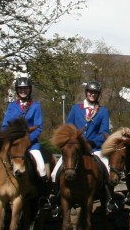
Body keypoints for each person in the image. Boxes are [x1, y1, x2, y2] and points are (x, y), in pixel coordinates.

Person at [49, 80, 116, 214]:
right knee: (54, 172)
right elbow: (68, 128)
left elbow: (104, 132)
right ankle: (55, 201)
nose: (92, 95)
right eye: (90, 92)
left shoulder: (103, 111)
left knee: (107, 171)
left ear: (98, 95)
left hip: (94, 149)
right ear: (86, 93)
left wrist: (92, 142)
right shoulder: (76, 109)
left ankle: (109, 200)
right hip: (74, 149)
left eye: (95, 93)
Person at [0, 76, 50, 206]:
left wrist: (27, 141)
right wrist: (10, 139)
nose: (23, 91)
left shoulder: (36, 106)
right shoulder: (11, 106)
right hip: (14, 145)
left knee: (41, 168)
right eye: (21, 89)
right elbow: (5, 126)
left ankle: (43, 198)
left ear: (30, 90)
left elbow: (38, 127)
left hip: (31, 145)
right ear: (17, 90)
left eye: (25, 88)